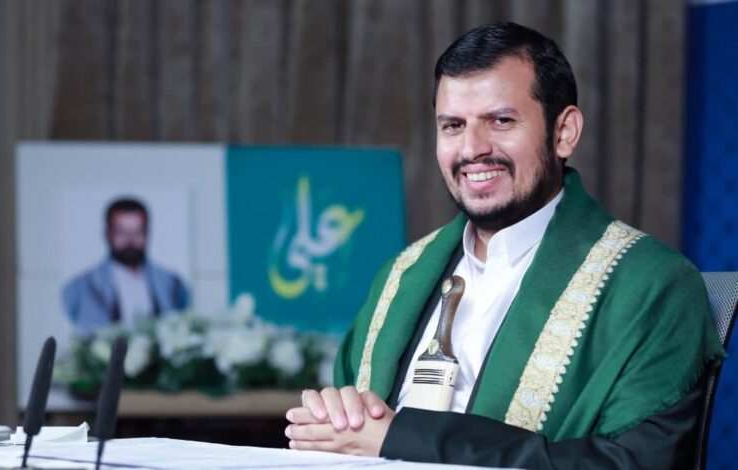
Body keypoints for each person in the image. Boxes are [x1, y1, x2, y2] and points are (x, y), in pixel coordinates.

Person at [284, 22, 725, 468]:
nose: (472, 149)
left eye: (501, 121)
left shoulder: (652, 285)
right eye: (453, 125)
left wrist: (402, 439)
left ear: (564, 132)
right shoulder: (401, 275)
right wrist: (333, 420)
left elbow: (637, 462)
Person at [62, 197, 189, 334]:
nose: (130, 240)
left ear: (147, 234)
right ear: (107, 234)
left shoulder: (172, 283)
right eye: (121, 232)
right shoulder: (81, 286)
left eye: (137, 232)